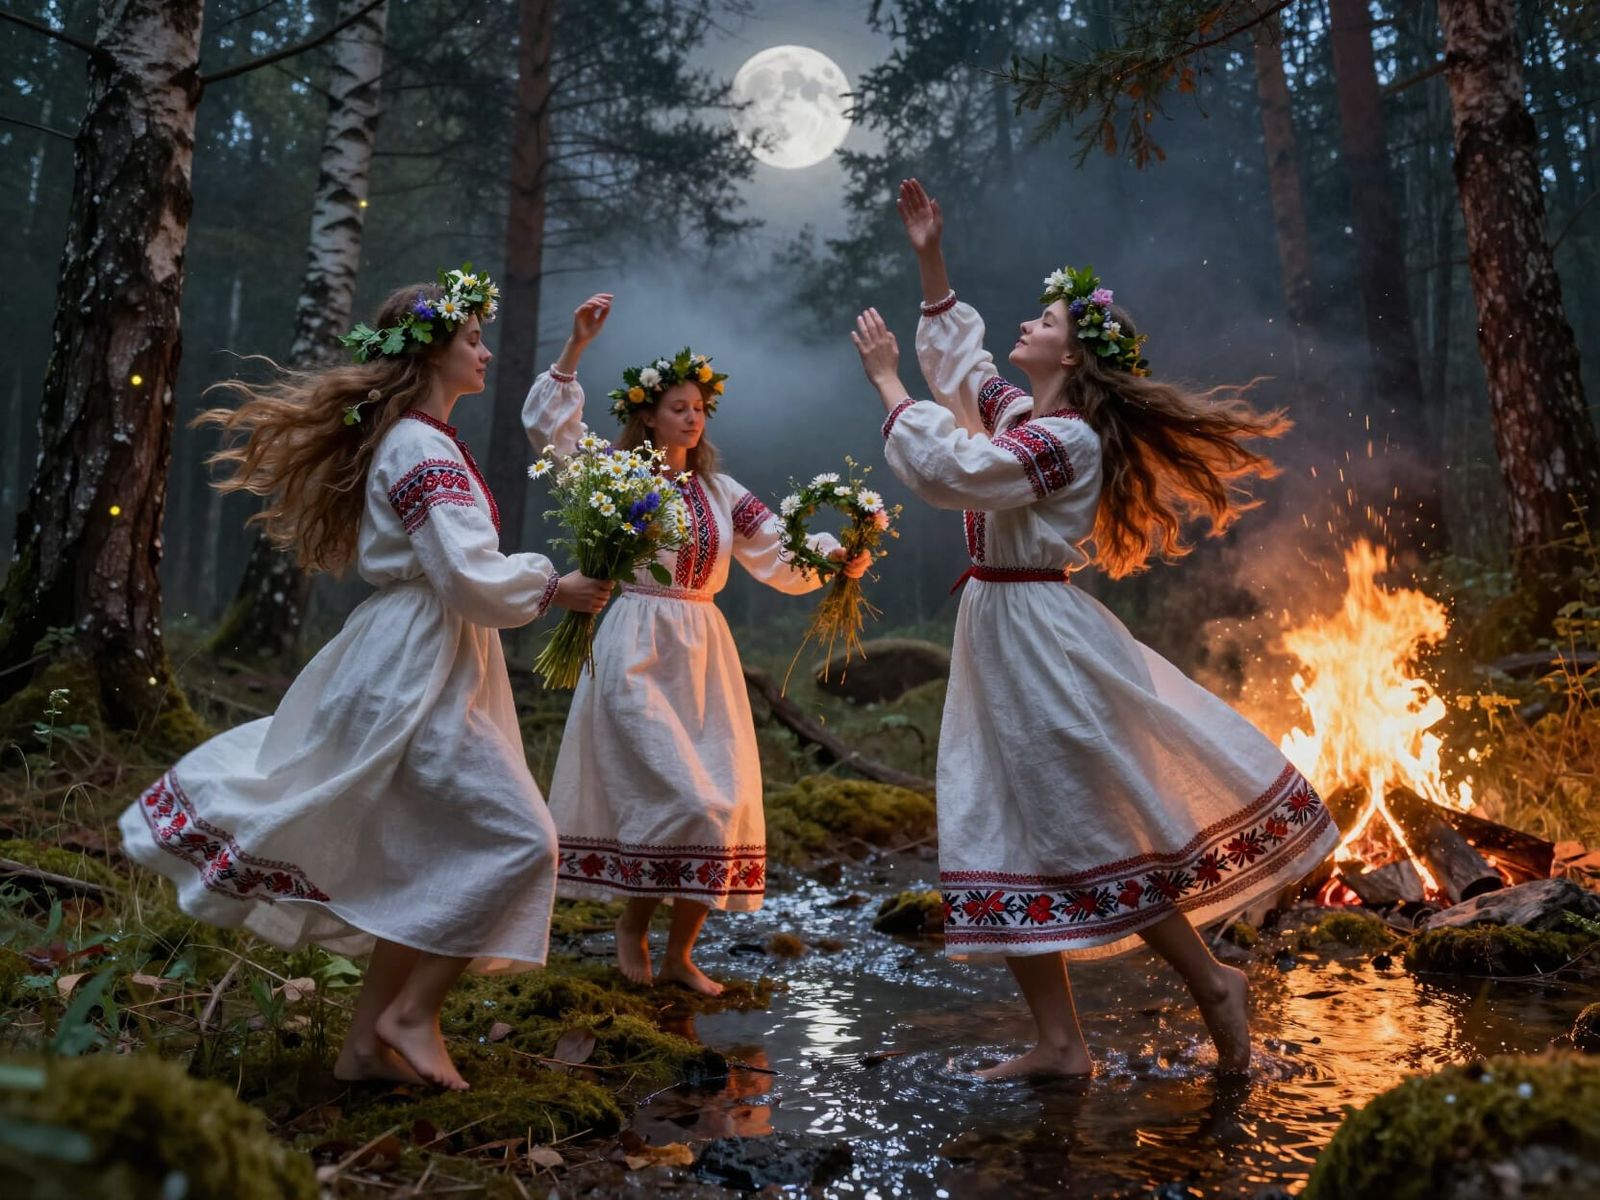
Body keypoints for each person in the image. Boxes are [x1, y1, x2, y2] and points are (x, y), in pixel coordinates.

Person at [848, 180, 1339, 1078]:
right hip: (998, 626)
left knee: (1084, 821)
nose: (1027, 323)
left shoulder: (1064, 439)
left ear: (1074, 355)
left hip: (1038, 634)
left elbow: (958, 469)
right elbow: (965, 377)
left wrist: (885, 381)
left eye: (1044, 318)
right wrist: (929, 256)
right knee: (997, 818)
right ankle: (1060, 1043)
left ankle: (1213, 981)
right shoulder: (1034, 416)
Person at [118, 267, 612, 1091]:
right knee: (524, 837)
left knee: (435, 850)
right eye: (473, 339)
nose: (485, 353)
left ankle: (362, 1046)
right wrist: (550, 586)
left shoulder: (427, 439)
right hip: (416, 663)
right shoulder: (420, 445)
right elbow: (464, 574)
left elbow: (458, 571)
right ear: (429, 352)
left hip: (428, 655)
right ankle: (411, 1015)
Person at [523, 294, 868, 996]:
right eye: (677, 405)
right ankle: (630, 929)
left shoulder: (720, 490)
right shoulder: (619, 481)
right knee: (681, 797)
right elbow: (551, 436)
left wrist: (838, 556)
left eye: (698, 407)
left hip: (704, 655)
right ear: (648, 415)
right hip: (637, 646)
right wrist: (574, 349)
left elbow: (778, 547)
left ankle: (681, 953)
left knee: (720, 804)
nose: (691, 416)